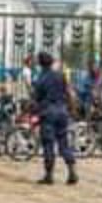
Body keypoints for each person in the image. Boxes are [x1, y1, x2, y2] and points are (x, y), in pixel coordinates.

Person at [32, 52, 78, 186]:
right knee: (64, 142)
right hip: (62, 111)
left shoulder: (41, 78)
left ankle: (49, 175)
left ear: (40, 63)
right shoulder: (60, 75)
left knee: (48, 144)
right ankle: (72, 171)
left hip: (48, 113)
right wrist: (73, 109)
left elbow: (36, 98)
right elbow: (69, 92)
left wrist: (32, 110)